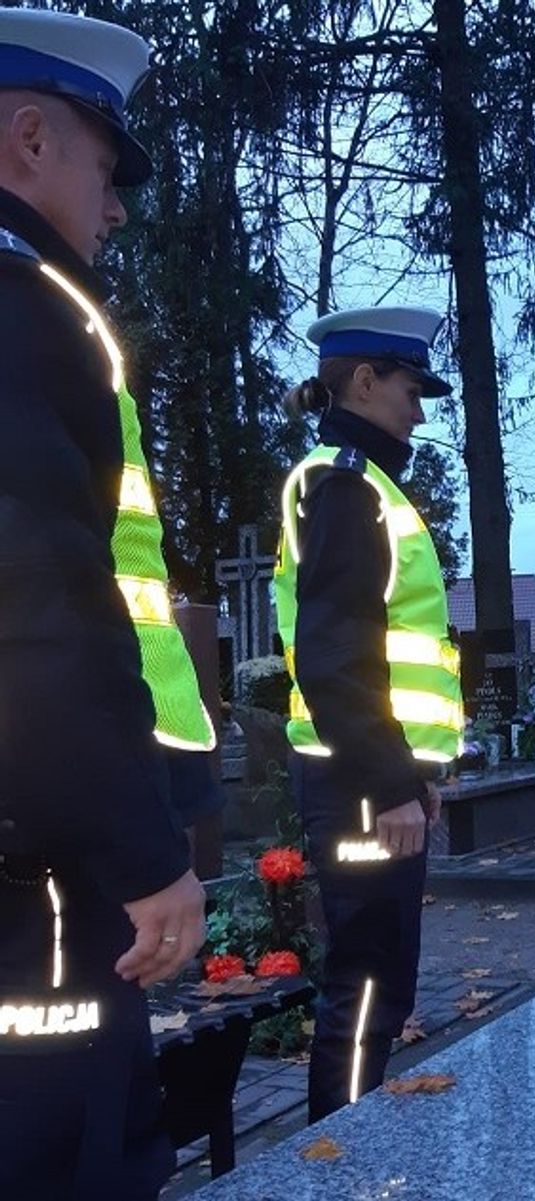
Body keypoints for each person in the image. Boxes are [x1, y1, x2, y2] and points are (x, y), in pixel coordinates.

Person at [0, 10, 209, 1198]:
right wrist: (140, 849)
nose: (118, 205)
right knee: (74, 1149)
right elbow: (33, 607)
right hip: (40, 879)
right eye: (105, 162)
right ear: (30, 136)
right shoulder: (28, 309)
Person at [275, 307, 463, 1121]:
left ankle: (357, 1147)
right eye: (410, 388)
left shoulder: (361, 483)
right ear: (363, 381)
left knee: (381, 978)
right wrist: (390, 782)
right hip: (357, 779)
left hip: (371, 775)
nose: (419, 409)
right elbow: (335, 657)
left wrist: (415, 777)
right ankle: (343, 1163)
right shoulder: (346, 485)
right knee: (366, 983)